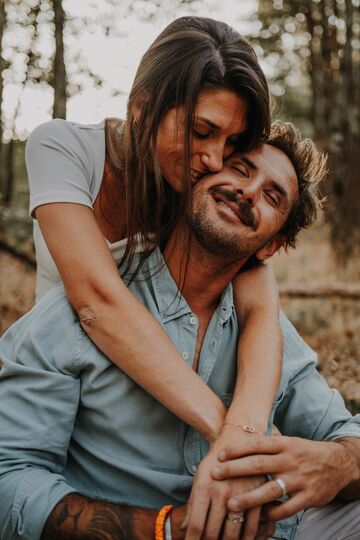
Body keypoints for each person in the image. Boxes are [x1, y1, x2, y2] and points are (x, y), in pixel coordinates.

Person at [1, 121, 359, 540]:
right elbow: (10, 478)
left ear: (270, 247)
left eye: (271, 196)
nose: (248, 192)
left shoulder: (269, 334)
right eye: (241, 170)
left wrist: (338, 464)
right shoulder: (74, 314)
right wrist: (168, 528)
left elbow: (345, 432)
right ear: (194, 181)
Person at [25, 15, 283, 510]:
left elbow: (259, 303)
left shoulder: (196, 191)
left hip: (155, 402)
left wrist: (244, 432)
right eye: (202, 131)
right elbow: (97, 301)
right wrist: (226, 433)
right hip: (64, 381)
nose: (214, 159)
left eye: (231, 142)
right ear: (143, 107)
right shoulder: (63, 147)